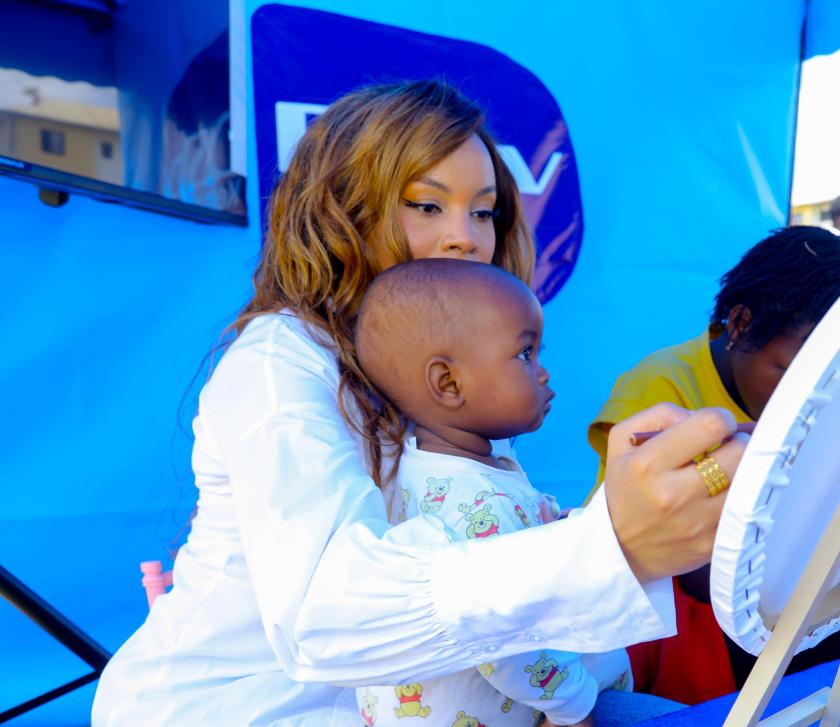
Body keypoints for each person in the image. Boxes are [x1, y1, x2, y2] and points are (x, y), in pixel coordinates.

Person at [91, 80, 746, 725]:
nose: (465, 236)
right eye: (427, 206)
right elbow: (324, 614)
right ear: (341, 211)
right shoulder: (278, 361)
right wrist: (606, 545)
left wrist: (642, 519)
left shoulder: (440, 359)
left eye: (483, 211)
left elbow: (476, 539)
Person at [586, 226, 840, 705]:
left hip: (814, 593)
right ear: (739, 325)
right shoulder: (657, 391)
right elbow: (676, 567)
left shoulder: (830, 396)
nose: (815, 403)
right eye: (794, 373)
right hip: (710, 631)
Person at [353, 259, 631, 727]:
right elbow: (502, 643)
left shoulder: (433, 462)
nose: (542, 372)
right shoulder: (469, 507)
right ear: (448, 383)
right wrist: (573, 707)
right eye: (526, 354)